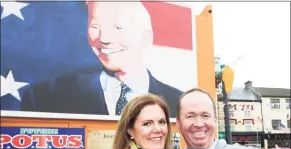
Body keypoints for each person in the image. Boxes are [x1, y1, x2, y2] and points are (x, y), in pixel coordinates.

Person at [20, 1, 182, 118]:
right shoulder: (45, 96)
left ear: (145, 37)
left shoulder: (178, 103)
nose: (104, 38)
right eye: (95, 27)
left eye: (118, 28)